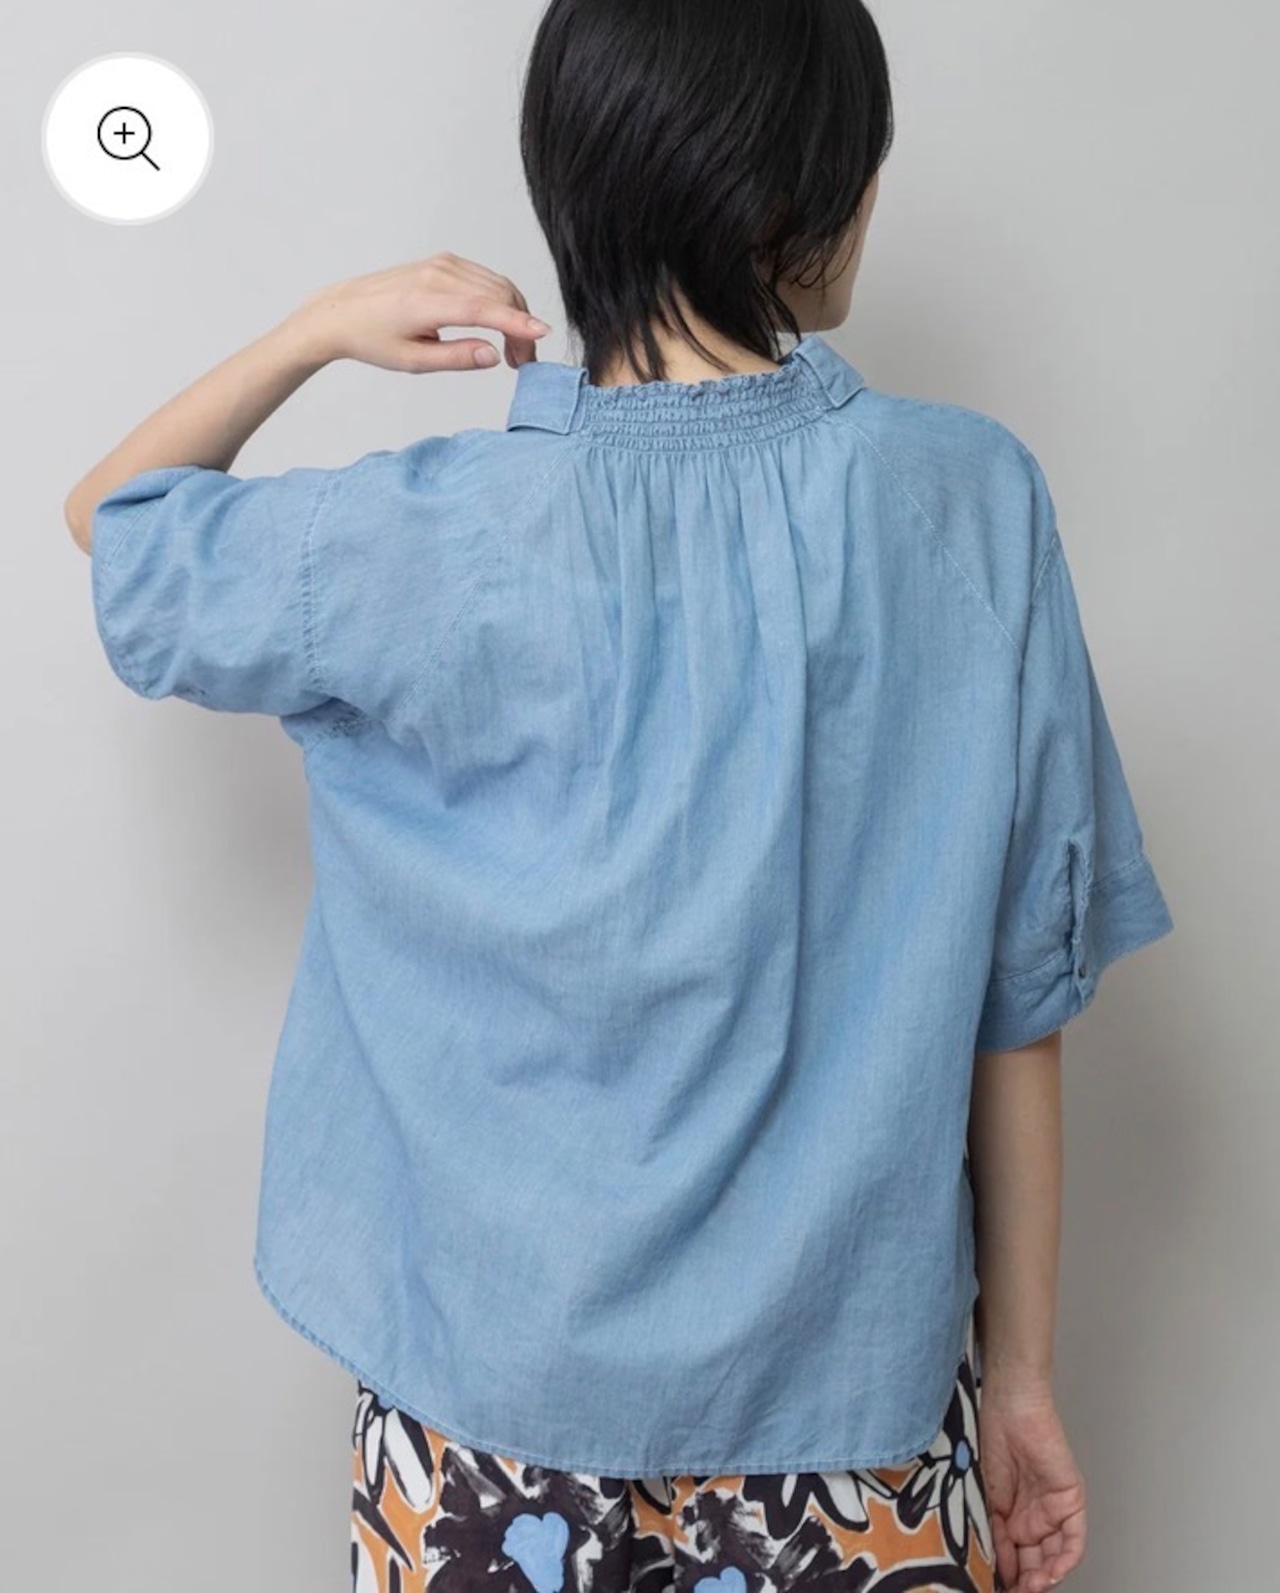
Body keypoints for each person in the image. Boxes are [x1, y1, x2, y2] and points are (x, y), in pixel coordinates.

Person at [66, 2, 1174, 1590]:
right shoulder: (973, 503)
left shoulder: (429, 531)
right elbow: (1021, 997)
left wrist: (317, 328)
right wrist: (1023, 1383)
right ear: (792, 196)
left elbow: (114, 519)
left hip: (484, 1425)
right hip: (854, 1430)